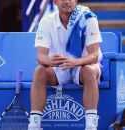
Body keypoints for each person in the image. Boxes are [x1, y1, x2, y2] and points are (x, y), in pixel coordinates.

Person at [28, 0, 102, 130]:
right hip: (59, 68)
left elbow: (94, 56)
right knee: (39, 71)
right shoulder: (46, 22)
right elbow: (40, 56)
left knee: (89, 71)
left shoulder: (88, 18)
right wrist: (50, 61)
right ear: (55, 1)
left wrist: (76, 62)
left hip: (83, 65)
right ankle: (34, 125)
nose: (67, 1)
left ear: (76, 1)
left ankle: (91, 126)